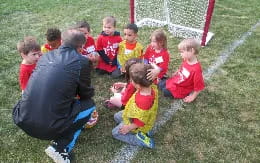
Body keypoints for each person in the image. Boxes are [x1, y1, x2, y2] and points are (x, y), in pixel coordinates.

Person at [13, 29, 96, 163]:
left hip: (22, 117)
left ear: (62, 42)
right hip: (47, 128)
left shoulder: (45, 56)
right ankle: (61, 147)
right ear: (81, 47)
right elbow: (85, 94)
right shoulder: (82, 62)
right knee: (89, 105)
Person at [112, 63, 158, 149]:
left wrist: (129, 127)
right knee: (116, 116)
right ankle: (147, 130)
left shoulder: (143, 101)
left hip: (137, 122)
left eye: (132, 80)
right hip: (133, 113)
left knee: (115, 133)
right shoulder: (151, 83)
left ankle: (141, 140)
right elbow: (156, 72)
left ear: (138, 85)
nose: (130, 82)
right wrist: (156, 70)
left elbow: (141, 121)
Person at [158, 38, 205, 103]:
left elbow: (199, 86)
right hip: (177, 80)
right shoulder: (186, 59)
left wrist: (193, 97)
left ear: (192, 51)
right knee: (160, 85)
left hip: (183, 88)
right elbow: (182, 68)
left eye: (182, 52)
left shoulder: (196, 70)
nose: (180, 54)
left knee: (165, 91)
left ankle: (184, 93)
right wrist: (176, 72)